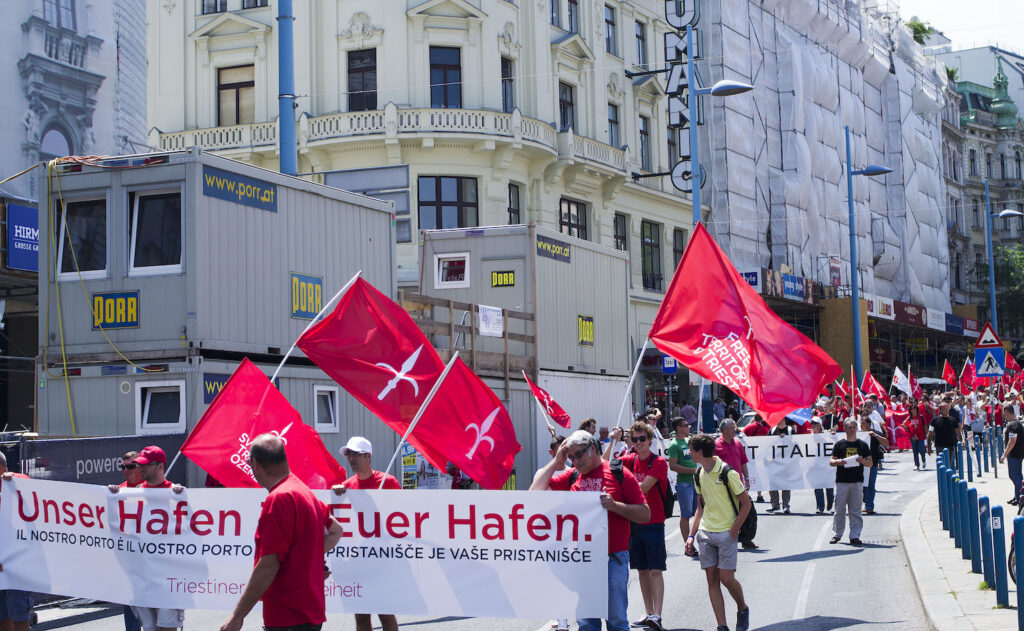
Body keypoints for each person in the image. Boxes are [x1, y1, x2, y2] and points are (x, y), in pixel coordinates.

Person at [221, 434, 343, 631]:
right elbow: (336, 531)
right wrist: (306, 559)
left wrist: (237, 616)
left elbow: (268, 565)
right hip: (309, 612)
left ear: (255, 464)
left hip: (287, 616)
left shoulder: (279, 499)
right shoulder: (304, 492)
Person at [532, 430, 650, 631]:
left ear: (593, 449)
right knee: (587, 623)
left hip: (613, 558)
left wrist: (614, 506)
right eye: (571, 457)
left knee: (616, 622)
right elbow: (534, 493)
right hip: (584, 560)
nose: (575, 461)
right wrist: (557, 460)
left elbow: (644, 514)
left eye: (579, 454)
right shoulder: (573, 476)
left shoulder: (619, 473)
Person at [109, 446, 185, 631]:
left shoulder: (175, 493)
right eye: (139, 465)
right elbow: (118, 530)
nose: (140, 468)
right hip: (142, 578)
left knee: (166, 628)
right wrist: (112, 499)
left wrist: (181, 496)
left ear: (160, 466)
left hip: (168, 579)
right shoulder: (131, 495)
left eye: (145, 465)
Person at [332, 437, 400, 631]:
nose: (351, 458)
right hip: (357, 561)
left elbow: (403, 517)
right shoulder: (345, 486)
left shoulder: (388, 482)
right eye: (349, 455)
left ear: (368, 456)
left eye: (355, 454)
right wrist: (337, 494)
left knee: (386, 613)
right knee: (361, 616)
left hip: (383, 560)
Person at [685, 433, 751, 631]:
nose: (689, 452)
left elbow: (746, 504)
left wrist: (733, 530)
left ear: (698, 451)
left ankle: (742, 608)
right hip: (706, 533)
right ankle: (722, 625)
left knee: (726, 578)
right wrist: (691, 535)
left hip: (726, 533)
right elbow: (700, 508)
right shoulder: (698, 474)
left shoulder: (727, 472)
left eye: (691, 449)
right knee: (711, 578)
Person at [618, 422, 669, 631]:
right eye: (634, 439)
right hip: (634, 523)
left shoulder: (658, 462)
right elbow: (602, 465)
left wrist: (622, 487)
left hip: (654, 522)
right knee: (641, 569)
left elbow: (643, 488)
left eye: (642, 439)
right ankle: (648, 612)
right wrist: (613, 441)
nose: (638, 443)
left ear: (650, 440)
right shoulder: (629, 460)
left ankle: (658, 614)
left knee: (656, 569)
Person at [534, 436, 570, 631]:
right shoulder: (542, 473)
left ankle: (566, 615)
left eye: (565, 453)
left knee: (567, 576)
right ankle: (560, 616)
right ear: (551, 453)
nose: (563, 458)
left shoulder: (573, 472)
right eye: (559, 453)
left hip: (570, 533)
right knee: (553, 576)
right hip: (547, 533)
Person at [108, 451, 143, 631]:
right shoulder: (118, 490)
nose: (126, 470)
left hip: (149, 559)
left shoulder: (151, 489)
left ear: (140, 467)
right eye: (123, 467)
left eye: (130, 466)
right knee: (130, 606)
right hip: (127, 559)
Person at [0, 452, 32, 631]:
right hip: (1, 567)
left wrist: (16, 481)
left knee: (19, 617)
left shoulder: (17, 480)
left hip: (17, 566)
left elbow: (37, 494)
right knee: (3, 619)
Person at [830, 419, 872, 545]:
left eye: (854, 427)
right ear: (845, 429)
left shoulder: (863, 445)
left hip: (857, 481)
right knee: (839, 509)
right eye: (849, 427)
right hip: (842, 481)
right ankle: (837, 534)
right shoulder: (839, 444)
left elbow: (870, 463)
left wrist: (862, 461)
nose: (852, 429)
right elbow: (831, 462)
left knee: (855, 510)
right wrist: (839, 462)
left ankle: (855, 535)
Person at [714, 420, 756, 549]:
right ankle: (724, 539)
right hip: (723, 486)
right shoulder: (716, 446)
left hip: (738, 485)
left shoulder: (738, 443)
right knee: (727, 514)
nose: (735, 430)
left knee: (748, 511)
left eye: (734, 428)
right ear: (724, 431)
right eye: (732, 428)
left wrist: (747, 478)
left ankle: (746, 539)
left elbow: (743, 462)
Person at [666, 417, 699, 554]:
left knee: (698, 513)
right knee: (685, 515)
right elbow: (672, 466)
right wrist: (692, 471)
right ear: (678, 428)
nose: (688, 427)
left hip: (695, 482)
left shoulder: (688, 440)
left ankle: (693, 541)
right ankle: (688, 546)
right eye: (685, 425)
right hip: (684, 483)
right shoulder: (674, 444)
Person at [859, 412, 888, 515]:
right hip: (860, 465)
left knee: (870, 485)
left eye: (862, 423)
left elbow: (886, 443)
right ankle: (866, 503)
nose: (861, 425)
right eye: (860, 423)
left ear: (868, 424)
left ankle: (869, 506)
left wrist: (875, 436)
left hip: (872, 463)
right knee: (862, 486)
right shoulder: (858, 435)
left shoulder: (875, 433)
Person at [739, 416, 770, 504]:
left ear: (754, 419)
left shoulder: (748, 427)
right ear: (762, 419)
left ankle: (746, 493)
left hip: (749, 454)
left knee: (748, 473)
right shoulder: (764, 429)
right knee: (759, 474)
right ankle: (759, 494)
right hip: (760, 455)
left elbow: (742, 436)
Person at [928, 400, 962, 472]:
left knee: (948, 464)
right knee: (941, 464)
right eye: (945, 409)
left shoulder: (952, 420)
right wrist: (928, 446)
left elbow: (958, 433)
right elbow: (930, 433)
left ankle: (948, 480)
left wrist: (961, 441)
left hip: (950, 445)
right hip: (939, 445)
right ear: (940, 410)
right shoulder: (935, 420)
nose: (947, 410)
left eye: (948, 408)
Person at [767, 421, 793, 514]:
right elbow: (767, 444)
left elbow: (796, 444)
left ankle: (786, 505)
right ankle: (775, 505)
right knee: (773, 483)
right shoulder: (772, 430)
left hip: (786, 461)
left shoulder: (790, 430)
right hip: (774, 461)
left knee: (785, 484)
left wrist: (786, 439)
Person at [809, 419, 834, 513]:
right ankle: (820, 507)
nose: (813, 426)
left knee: (829, 488)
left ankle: (830, 504)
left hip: (827, 466)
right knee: (818, 487)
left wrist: (833, 435)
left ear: (820, 424)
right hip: (816, 466)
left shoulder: (827, 434)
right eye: (812, 424)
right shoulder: (809, 437)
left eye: (815, 424)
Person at [1000, 405, 1024, 505]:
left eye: (1003, 412)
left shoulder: (1012, 425)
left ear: (1006, 411)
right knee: (1018, 475)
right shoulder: (1018, 423)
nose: (1003, 414)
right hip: (1019, 453)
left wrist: (1004, 455)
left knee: (1014, 476)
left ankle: (1020, 498)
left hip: (1014, 454)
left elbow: (1012, 441)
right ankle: (1017, 496)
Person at [906, 405, 928, 470]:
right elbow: (905, 425)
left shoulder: (921, 417)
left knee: (921, 449)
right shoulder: (909, 418)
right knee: (915, 451)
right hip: (913, 436)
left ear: (917, 409)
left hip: (921, 436)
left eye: (914, 408)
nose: (913, 410)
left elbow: (925, 425)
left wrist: (926, 434)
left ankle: (923, 461)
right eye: (912, 409)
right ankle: (917, 465)